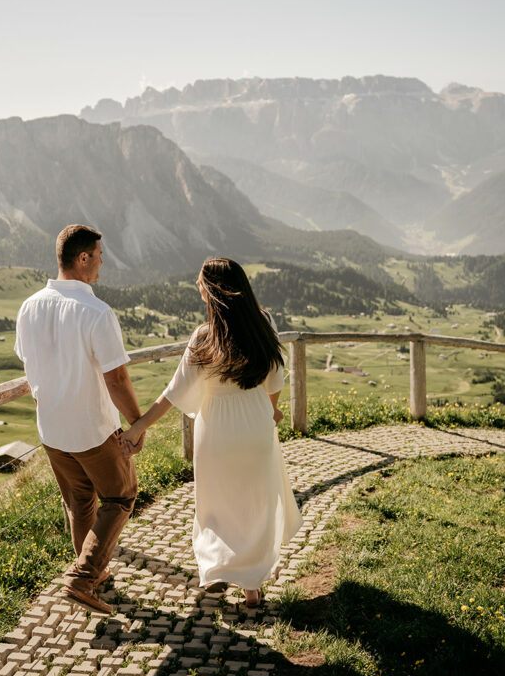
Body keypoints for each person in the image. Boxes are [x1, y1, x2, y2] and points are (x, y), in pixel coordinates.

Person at [121, 257, 303, 607]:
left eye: (200, 283)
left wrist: (139, 426)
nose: (197, 288)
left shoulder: (205, 336)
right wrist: (271, 409)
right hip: (255, 422)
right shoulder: (264, 323)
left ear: (212, 291)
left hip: (216, 429)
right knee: (257, 504)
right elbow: (275, 378)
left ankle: (218, 569)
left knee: (215, 506)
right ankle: (252, 587)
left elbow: (174, 393)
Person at [15, 224, 143, 614]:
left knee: (80, 504)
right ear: (83, 258)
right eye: (99, 255)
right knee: (121, 495)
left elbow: (27, 361)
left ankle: (92, 575)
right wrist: (137, 422)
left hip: (51, 429)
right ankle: (83, 576)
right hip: (91, 429)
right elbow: (117, 377)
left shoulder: (29, 305)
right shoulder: (97, 312)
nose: (103, 262)